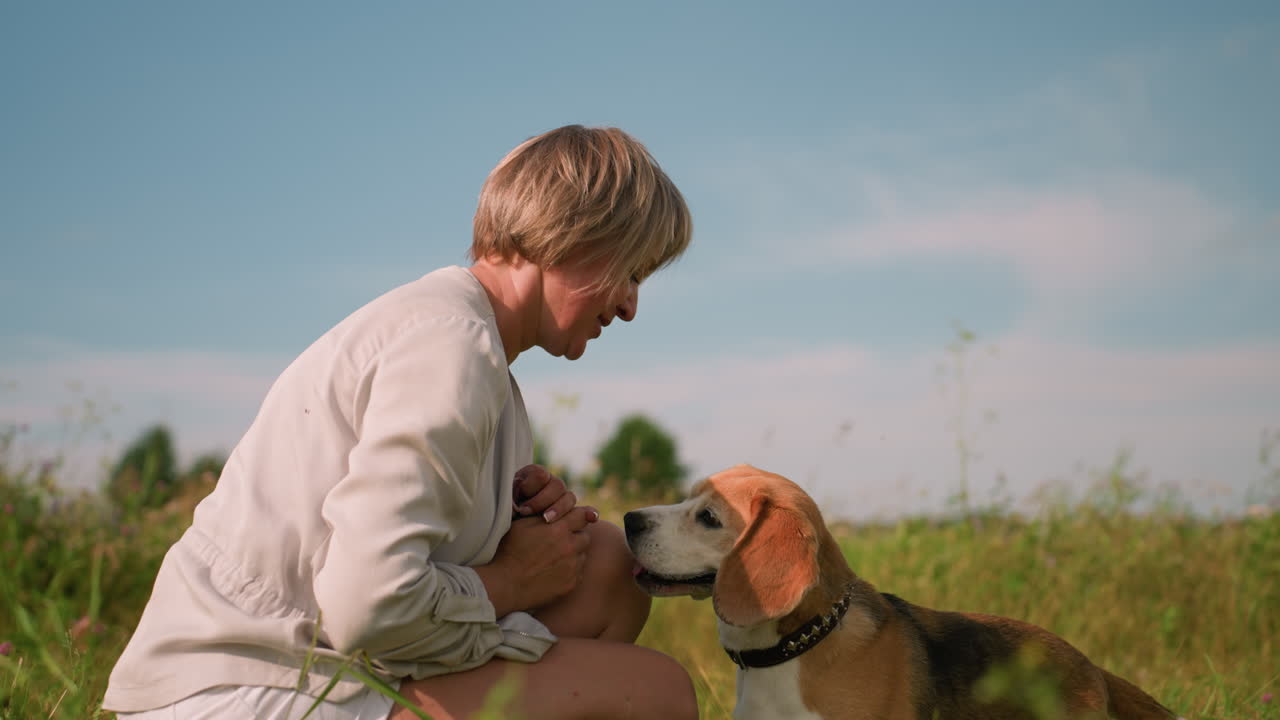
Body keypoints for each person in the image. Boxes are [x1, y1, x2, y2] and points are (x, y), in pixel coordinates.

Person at [104, 125, 698, 720]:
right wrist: (512, 580)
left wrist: (509, 526)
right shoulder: (453, 346)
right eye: (632, 272)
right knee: (653, 695)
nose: (628, 306)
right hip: (240, 690)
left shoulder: (469, 343)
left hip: (317, 666)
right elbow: (369, 605)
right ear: (577, 233)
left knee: (604, 566)